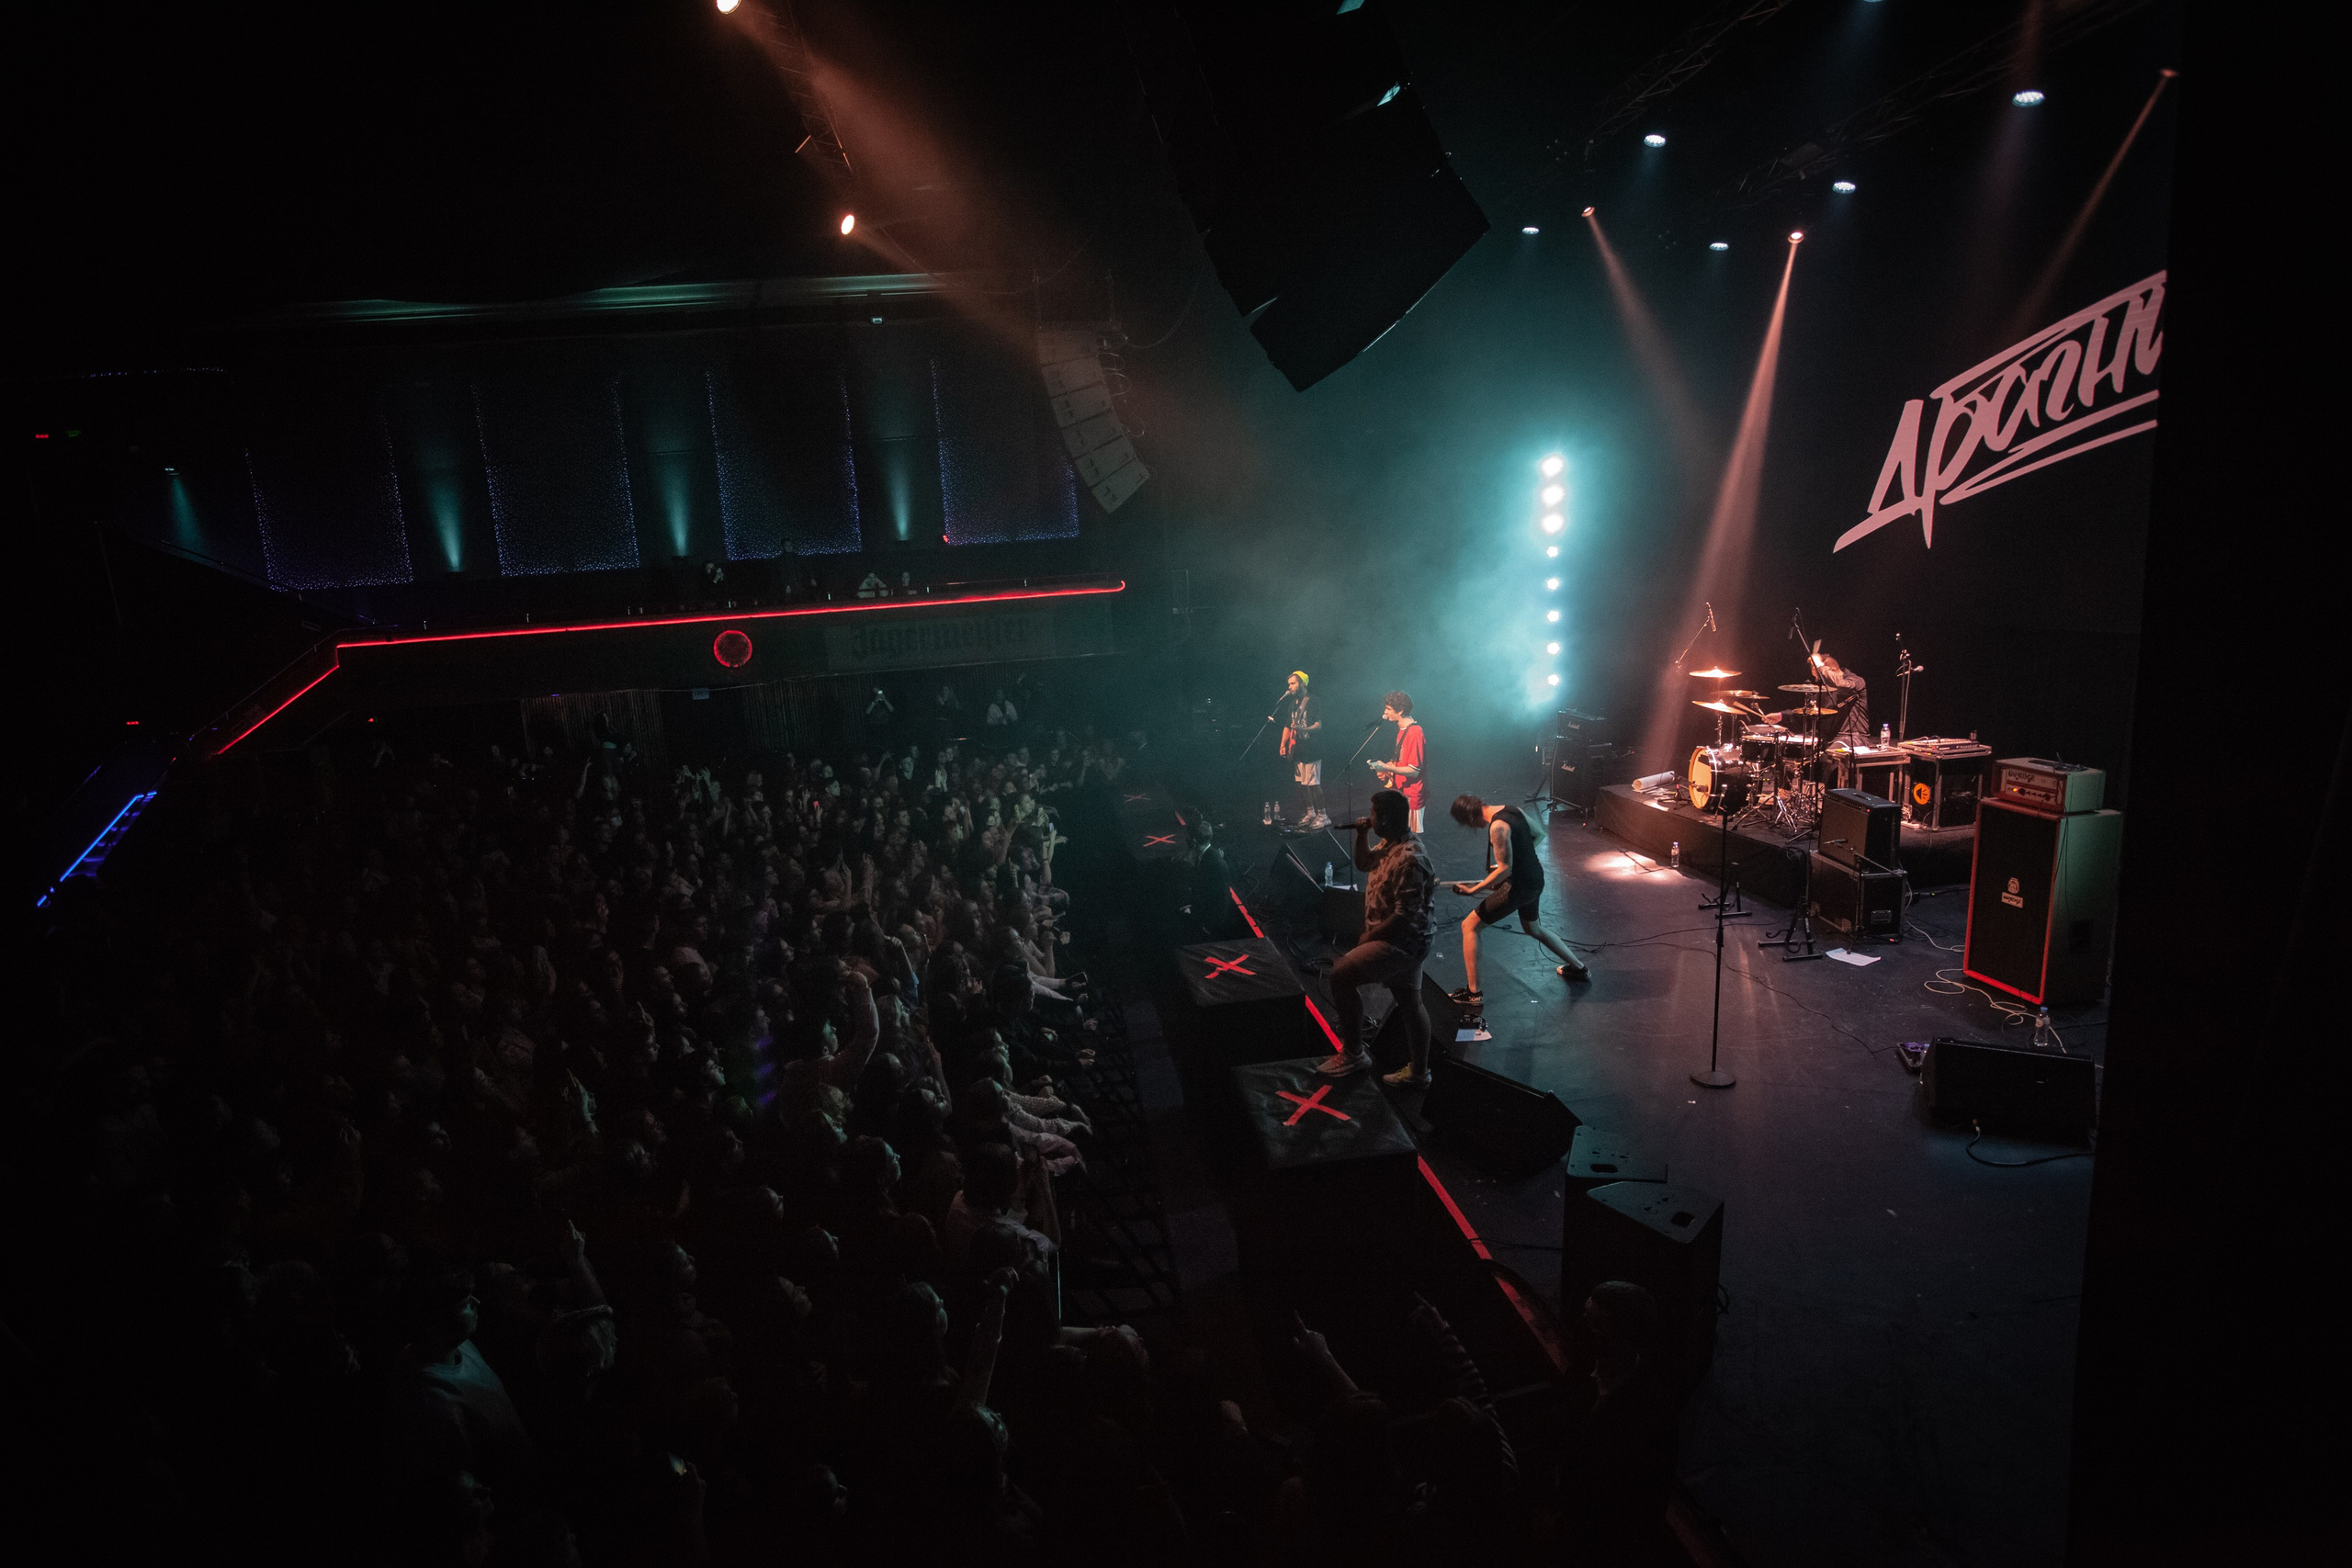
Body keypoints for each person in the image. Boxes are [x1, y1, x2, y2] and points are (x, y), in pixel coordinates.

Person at [1319, 789, 1434, 1080]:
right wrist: (1361, 835)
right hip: (1407, 940)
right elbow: (1363, 863)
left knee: (1341, 975)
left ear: (1383, 820)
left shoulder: (1410, 858)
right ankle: (1419, 1074)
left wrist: (1369, 938)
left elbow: (1403, 917)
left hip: (1401, 943)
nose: (1368, 819)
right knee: (1410, 1002)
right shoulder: (1390, 843)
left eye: (1372, 814)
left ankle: (1353, 1054)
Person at [1445, 794, 1589, 1021]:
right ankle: (1579, 968)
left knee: (1470, 926)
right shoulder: (1512, 810)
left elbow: (1504, 869)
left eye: (1468, 824)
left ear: (1470, 817)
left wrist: (1475, 890)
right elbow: (1539, 834)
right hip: (1535, 879)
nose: (1473, 828)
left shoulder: (1497, 827)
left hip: (1520, 887)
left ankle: (1474, 994)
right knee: (1533, 928)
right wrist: (1518, 860)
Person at [1369, 691, 1426, 834]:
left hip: (1412, 795)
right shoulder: (1402, 730)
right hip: (1401, 792)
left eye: (1388, 709)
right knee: (1400, 834)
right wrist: (1387, 771)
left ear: (1400, 710)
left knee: (1412, 838)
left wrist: (1387, 768)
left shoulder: (1415, 732)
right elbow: (1402, 761)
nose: (1385, 712)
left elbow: (1414, 770)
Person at [1277, 671, 1327, 828]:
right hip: (1297, 749)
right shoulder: (1293, 704)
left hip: (1312, 749)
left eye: (1293, 683)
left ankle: (1323, 815)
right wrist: (1283, 744)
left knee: (1313, 784)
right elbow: (1287, 725)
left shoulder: (1314, 701)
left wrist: (1303, 729)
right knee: (1301, 784)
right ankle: (1310, 812)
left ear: (1302, 683)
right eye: (1289, 684)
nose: (1290, 687)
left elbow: (1318, 725)